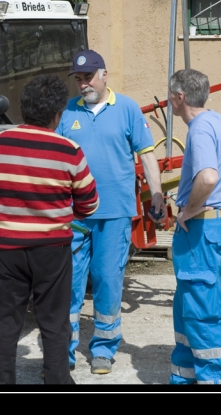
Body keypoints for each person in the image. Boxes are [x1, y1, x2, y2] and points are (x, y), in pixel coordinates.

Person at [0, 74, 99, 385]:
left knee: (6, 321)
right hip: (53, 250)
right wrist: (60, 213)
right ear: (57, 114)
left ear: (24, 109)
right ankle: (57, 380)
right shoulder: (70, 150)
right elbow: (89, 204)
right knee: (53, 321)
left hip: (8, 249)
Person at [56, 49, 167, 375]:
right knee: (69, 284)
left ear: (104, 75)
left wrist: (156, 196)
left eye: (88, 77)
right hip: (75, 214)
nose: (82, 84)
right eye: (78, 79)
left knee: (107, 279)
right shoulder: (68, 112)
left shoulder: (128, 109)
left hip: (114, 213)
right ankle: (64, 351)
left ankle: (103, 349)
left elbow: (147, 157)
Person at [166, 68, 221, 385]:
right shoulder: (218, 120)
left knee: (202, 308)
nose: (169, 100)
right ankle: (184, 376)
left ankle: (215, 380)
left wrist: (189, 210)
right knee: (190, 301)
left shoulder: (199, 129)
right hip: (217, 226)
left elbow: (209, 177)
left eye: (170, 95)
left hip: (200, 229)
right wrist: (219, 194)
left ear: (179, 97)